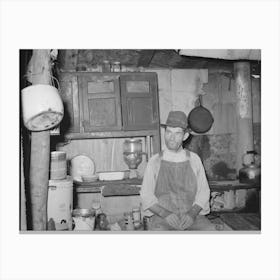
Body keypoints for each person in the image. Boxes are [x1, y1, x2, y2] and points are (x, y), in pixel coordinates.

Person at [140, 111, 216, 231]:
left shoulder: (194, 160)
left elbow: (204, 192)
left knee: (210, 232)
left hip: (192, 217)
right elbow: (146, 195)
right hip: (163, 218)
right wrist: (165, 214)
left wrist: (192, 214)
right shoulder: (154, 161)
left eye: (177, 133)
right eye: (169, 132)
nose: (172, 138)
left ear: (185, 136)